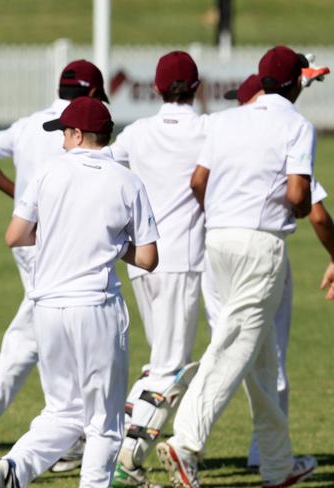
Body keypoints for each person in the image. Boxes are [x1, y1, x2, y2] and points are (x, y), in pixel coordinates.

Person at [157, 45, 318, 488]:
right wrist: (297, 212)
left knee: (260, 360)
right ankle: (185, 442)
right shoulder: (298, 125)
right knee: (233, 347)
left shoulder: (227, 120)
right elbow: (298, 193)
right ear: (295, 83)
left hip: (218, 240)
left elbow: (198, 181)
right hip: (260, 244)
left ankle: (277, 464)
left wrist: (224, 214)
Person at [0, 59, 109, 479]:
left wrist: (19, 200)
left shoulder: (28, 124)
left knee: (31, 334)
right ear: (91, 95)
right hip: (66, 245)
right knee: (70, 331)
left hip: (28, 242)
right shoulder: (82, 130)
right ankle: (71, 438)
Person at [0, 96, 159, 488]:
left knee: (62, 413)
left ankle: (15, 467)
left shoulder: (47, 172)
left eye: (64, 133)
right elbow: (148, 258)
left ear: (79, 134)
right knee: (105, 422)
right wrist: (114, 245)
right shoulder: (126, 180)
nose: (61, 140)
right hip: (95, 306)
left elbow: (16, 235)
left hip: (46, 306)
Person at [203, 72, 334, 471]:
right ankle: (193, 440)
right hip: (259, 251)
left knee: (234, 353)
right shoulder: (280, 138)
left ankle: (270, 458)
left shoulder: (223, 133)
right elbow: (313, 210)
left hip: (211, 255)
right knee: (258, 357)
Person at [108, 51, 207, 487]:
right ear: (198, 88)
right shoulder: (207, 130)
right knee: (171, 366)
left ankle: (118, 444)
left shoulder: (138, 132)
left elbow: (103, 165)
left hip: (140, 259)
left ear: (158, 88)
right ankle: (124, 455)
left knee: (161, 362)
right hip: (183, 259)